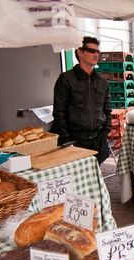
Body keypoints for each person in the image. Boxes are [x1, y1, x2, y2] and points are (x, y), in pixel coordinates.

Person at [51, 36, 112, 165]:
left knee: (94, 178)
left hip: (97, 141)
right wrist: (66, 140)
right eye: (92, 51)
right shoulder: (66, 79)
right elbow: (59, 112)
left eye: (98, 52)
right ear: (80, 52)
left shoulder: (102, 82)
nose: (96, 54)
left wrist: (105, 133)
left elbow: (107, 110)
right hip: (75, 141)